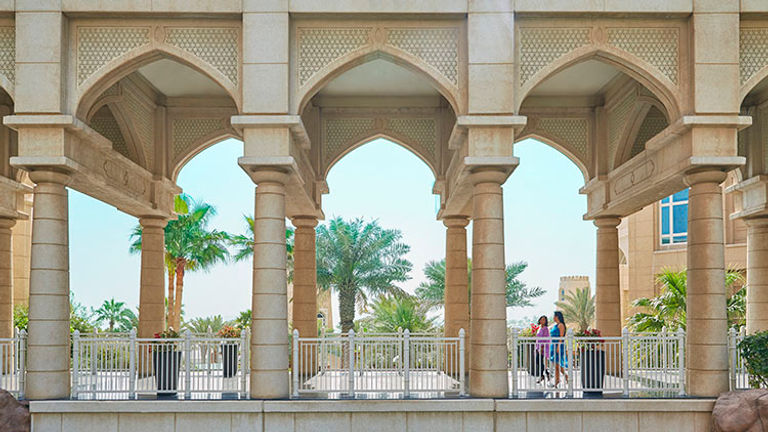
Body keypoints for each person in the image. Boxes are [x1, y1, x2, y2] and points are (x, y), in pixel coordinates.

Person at [549, 311, 569, 388]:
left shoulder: (561, 325)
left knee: (558, 364)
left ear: (557, 317)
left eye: (554, 316)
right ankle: (562, 378)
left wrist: (558, 346)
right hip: (553, 346)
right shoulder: (555, 325)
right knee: (556, 365)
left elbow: (561, 337)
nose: (553, 318)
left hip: (558, 346)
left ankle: (558, 380)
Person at [534, 315, 551, 385]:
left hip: (543, 347)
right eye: (541, 319)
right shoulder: (539, 328)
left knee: (539, 361)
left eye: (544, 320)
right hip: (538, 347)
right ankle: (546, 373)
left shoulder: (545, 329)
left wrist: (542, 347)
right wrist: (537, 347)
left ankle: (542, 376)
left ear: (546, 321)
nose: (542, 321)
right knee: (538, 361)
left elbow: (546, 338)